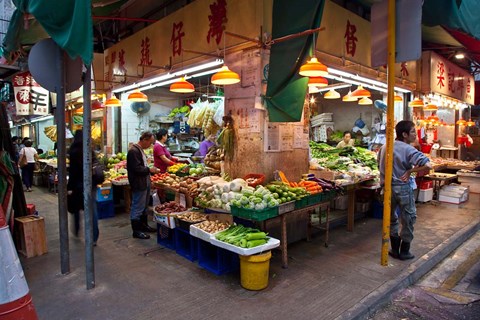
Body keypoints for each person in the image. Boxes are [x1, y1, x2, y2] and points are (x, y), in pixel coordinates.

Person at [377, 120, 432, 261]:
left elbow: (379, 165)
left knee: (391, 219)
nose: (415, 135)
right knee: (408, 218)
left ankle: (394, 249)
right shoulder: (409, 149)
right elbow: (427, 165)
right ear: (404, 134)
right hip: (402, 189)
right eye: (413, 132)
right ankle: (404, 251)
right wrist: (410, 170)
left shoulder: (384, 147)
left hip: (387, 189)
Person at [67, 130, 100, 244]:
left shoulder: (74, 151)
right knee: (92, 210)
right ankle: (94, 237)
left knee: (76, 208)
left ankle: (76, 230)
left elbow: (72, 172)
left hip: (78, 184)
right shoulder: (89, 150)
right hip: (91, 184)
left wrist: (70, 187)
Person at [127, 131, 159, 239]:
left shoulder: (139, 150)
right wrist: (150, 169)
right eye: (150, 142)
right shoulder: (133, 151)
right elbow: (136, 169)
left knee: (144, 206)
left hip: (144, 182)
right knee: (137, 207)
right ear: (144, 140)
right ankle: (136, 231)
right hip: (138, 183)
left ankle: (144, 226)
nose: (150, 145)